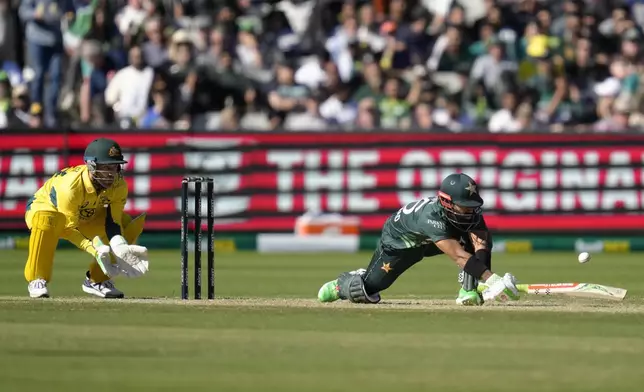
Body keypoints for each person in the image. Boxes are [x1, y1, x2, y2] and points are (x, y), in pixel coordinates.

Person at [317, 173, 520, 305]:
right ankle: (342, 284)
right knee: (366, 291)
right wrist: (494, 279)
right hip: (400, 243)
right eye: (464, 206)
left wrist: (488, 282)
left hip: (430, 241)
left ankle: (467, 291)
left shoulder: (468, 214)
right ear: (446, 202)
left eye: (472, 205)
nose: (470, 211)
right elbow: (458, 256)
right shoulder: (431, 217)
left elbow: (481, 244)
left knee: (475, 238)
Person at [24, 138, 150, 299]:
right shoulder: (70, 187)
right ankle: (37, 279)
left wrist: (120, 246)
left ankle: (97, 280)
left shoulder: (119, 185)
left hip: (86, 214)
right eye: (106, 168)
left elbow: (113, 221)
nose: (111, 174)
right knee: (46, 219)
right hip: (49, 210)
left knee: (126, 224)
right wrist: (95, 249)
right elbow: (68, 229)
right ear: (91, 166)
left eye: (115, 167)